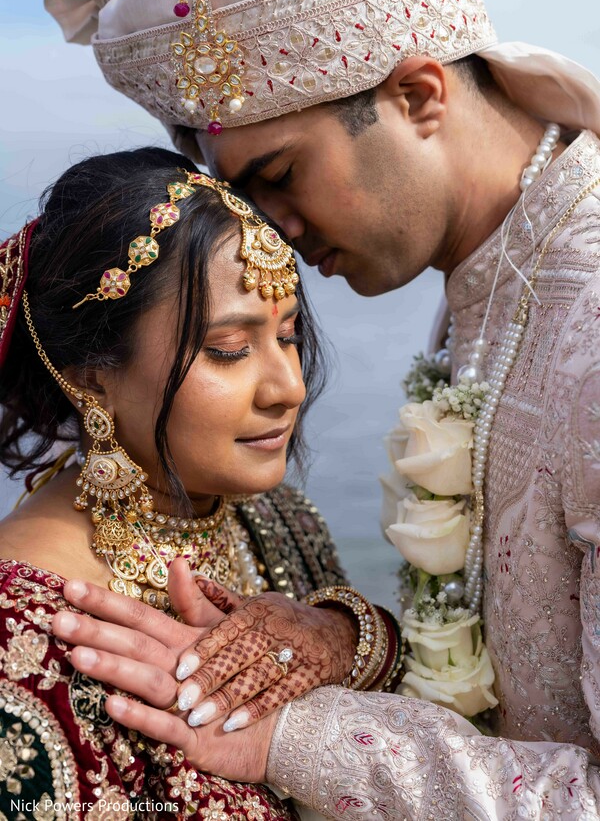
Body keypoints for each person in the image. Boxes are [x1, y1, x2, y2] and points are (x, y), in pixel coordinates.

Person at [43, 0, 600, 816]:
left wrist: (294, 738)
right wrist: (350, 637)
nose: (272, 232)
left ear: (418, 95)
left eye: (280, 174)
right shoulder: (490, 287)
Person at [0, 146, 405, 818]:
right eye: (229, 350)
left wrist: (347, 637)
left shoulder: (277, 520)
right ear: (92, 375)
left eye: (288, 336)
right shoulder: (24, 629)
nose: (289, 388)